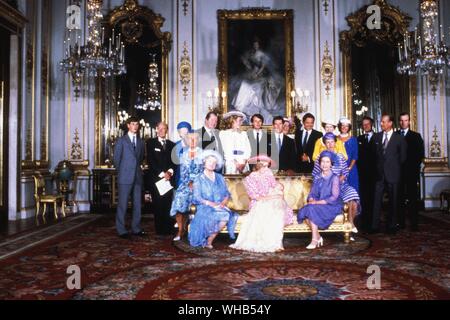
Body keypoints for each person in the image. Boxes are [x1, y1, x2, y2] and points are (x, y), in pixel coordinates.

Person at [230, 155, 293, 253]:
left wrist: (279, 191)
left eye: (268, 166)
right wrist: (272, 196)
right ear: (257, 166)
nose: (266, 169)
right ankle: (266, 242)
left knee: (278, 210)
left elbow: (276, 187)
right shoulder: (250, 178)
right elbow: (255, 196)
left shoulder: (269, 174)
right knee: (265, 210)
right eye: (263, 166)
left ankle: (276, 243)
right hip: (258, 202)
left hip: (273, 199)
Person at [188, 151, 238, 249]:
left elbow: (227, 193)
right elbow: (197, 197)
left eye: (214, 162)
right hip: (205, 206)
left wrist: (224, 200)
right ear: (204, 162)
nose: (212, 164)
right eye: (209, 161)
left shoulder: (219, 177)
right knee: (223, 215)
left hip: (219, 206)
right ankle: (207, 240)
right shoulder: (199, 178)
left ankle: (209, 240)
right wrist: (210, 203)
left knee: (226, 215)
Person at [312, 133, 360, 233]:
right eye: (327, 142)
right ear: (324, 144)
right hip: (326, 187)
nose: (330, 145)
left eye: (332, 142)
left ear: (335, 143)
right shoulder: (320, 158)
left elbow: (345, 173)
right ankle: (349, 225)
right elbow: (315, 175)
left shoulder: (340, 157)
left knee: (353, 198)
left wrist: (338, 181)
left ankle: (350, 223)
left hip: (341, 185)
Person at [297, 151, 343, 249]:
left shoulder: (334, 178)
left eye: (327, 162)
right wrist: (311, 198)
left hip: (331, 205)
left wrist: (316, 202)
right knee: (307, 210)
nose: (324, 164)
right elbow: (312, 193)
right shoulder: (317, 176)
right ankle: (317, 236)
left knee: (311, 209)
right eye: (322, 161)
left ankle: (314, 239)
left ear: (331, 164)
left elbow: (334, 197)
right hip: (318, 204)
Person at [231, 38, 282, 124]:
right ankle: (241, 104)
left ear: (259, 45)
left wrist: (257, 74)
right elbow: (248, 64)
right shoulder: (251, 54)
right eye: (254, 45)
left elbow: (263, 67)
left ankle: (256, 105)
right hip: (252, 75)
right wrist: (248, 67)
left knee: (256, 87)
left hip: (260, 76)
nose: (255, 46)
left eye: (257, 45)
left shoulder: (262, 55)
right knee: (244, 84)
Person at [372, 114, 407, 234]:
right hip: (379, 174)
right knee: (376, 200)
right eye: (381, 122)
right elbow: (373, 156)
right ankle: (374, 226)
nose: (382, 124)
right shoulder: (376, 137)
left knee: (393, 201)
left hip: (393, 174)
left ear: (390, 123)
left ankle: (392, 226)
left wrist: (393, 167)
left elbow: (403, 158)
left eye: (384, 122)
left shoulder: (399, 138)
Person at [113, 117, 146, 239]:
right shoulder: (121, 141)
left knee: (137, 204)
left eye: (137, 124)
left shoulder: (141, 142)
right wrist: (123, 171)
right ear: (128, 125)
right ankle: (121, 230)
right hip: (125, 177)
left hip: (137, 177)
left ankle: (136, 228)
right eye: (133, 124)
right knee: (123, 204)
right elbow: (116, 160)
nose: (135, 126)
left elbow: (141, 158)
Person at [170, 132, 203, 241]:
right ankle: (181, 230)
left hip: (200, 184)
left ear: (198, 141)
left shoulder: (202, 154)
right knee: (179, 199)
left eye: (195, 139)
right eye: (190, 139)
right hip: (186, 183)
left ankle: (198, 231)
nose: (192, 141)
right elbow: (183, 172)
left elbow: (203, 171)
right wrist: (188, 182)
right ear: (187, 141)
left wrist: (195, 183)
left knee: (199, 203)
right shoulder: (184, 154)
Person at [147, 122, 176, 236]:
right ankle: (160, 230)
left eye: (164, 129)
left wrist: (169, 172)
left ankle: (168, 229)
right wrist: (162, 174)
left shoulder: (172, 145)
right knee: (158, 205)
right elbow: (151, 161)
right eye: (160, 128)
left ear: (167, 130)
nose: (162, 131)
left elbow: (174, 162)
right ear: (156, 129)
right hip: (157, 179)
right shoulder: (150, 143)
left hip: (169, 179)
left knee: (167, 204)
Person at [398, 112, 424, 231]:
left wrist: (412, 168)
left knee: (413, 199)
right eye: (402, 120)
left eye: (406, 120)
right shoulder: (395, 135)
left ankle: (414, 224)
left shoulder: (416, 136)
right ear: (399, 122)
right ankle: (401, 223)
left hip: (411, 173)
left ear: (409, 121)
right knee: (399, 198)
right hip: (398, 173)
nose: (404, 123)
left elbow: (420, 155)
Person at [357, 116, 377, 232]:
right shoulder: (359, 138)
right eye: (364, 124)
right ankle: (364, 224)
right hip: (363, 175)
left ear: (372, 124)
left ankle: (374, 224)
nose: (366, 126)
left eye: (368, 124)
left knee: (374, 199)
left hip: (375, 175)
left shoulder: (378, 137)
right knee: (364, 199)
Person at [338, 117, 359, 192]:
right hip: (338, 170)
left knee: (351, 191)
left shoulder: (353, 139)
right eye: (342, 125)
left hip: (351, 169)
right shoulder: (335, 139)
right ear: (340, 126)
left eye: (346, 126)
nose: (344, 127)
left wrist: (349, 168)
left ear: (349, 127)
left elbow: (355, 156)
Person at [172, 121, 192, 188]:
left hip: (191, 178)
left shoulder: (194, 145)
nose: (184, 134)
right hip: (178, 176)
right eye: (182, 132)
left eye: (186, 132)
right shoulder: (175, 145)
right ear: (179, 133)